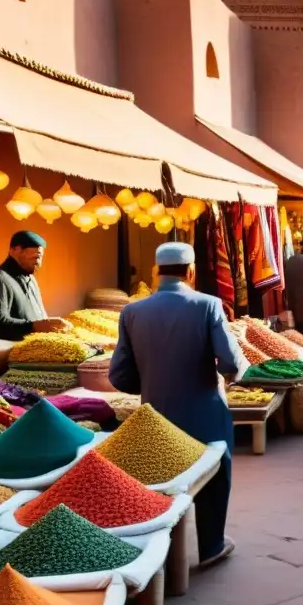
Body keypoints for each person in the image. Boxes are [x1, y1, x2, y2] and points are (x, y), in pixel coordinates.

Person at [109, 243, 246, 568]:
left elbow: (118, 374)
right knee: (216, 473)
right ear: (191, 271)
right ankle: (211, 545)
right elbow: (230, 362)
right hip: (206, 414)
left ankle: (162, 554)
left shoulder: (131, 312)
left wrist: (154, 383)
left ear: (157, 272)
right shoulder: (209, 305)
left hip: (156, 416)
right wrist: (233, 374)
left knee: (161, 484)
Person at [0, 231, 71, 340]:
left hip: (34, 350)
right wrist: (34, 326)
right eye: (34, 258)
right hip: (10, 354)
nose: (38, 263)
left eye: (40, 258)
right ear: (15, 250)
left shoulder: (31, 279)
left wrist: (51, 326)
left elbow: (40, 316)